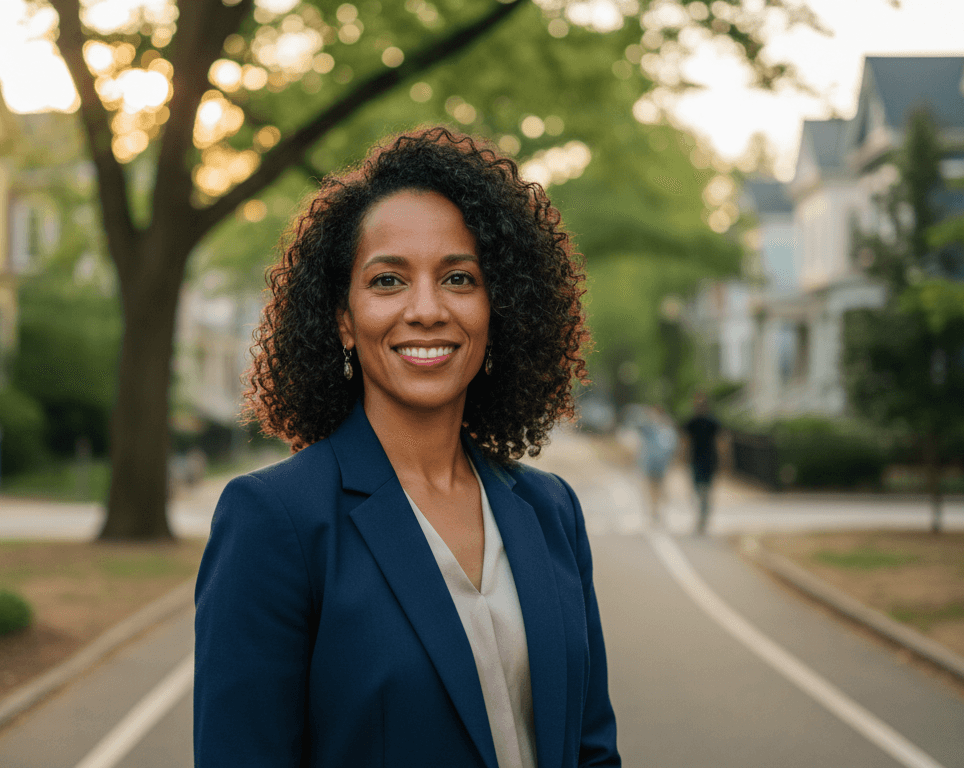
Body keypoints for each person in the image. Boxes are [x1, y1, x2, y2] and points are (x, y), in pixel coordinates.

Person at [194, 128, 620, 768]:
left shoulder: (550, 511)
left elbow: (591, 750)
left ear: (495, 306)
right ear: (343, 317)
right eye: (388, 280)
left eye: (458, 278)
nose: (427, 309)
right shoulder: (275, 521)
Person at [682, 393, 722, 535]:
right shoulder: (692, 423)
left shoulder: (712, 423)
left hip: (708, 460)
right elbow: (686, 441)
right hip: (697, 459)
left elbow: (720, 442)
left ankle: (703, 516)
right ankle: (702, 515)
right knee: (699, 490)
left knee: (706, 490)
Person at [636, 404, 677, 526]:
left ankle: (656, 509)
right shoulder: (649, 425)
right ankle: (654, 510)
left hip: (660, 461)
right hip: (651, 461)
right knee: (652, 487)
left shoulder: (665, 426)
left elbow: (671, 444)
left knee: (657, 486)